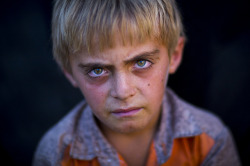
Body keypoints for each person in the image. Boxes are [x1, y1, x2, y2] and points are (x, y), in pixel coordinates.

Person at [33, 0, 240, 165]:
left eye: (141, 62)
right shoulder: (56, 155)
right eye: (97, 70)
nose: (122, 92)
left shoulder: (210, 141)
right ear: (69, 72)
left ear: (174, 55)